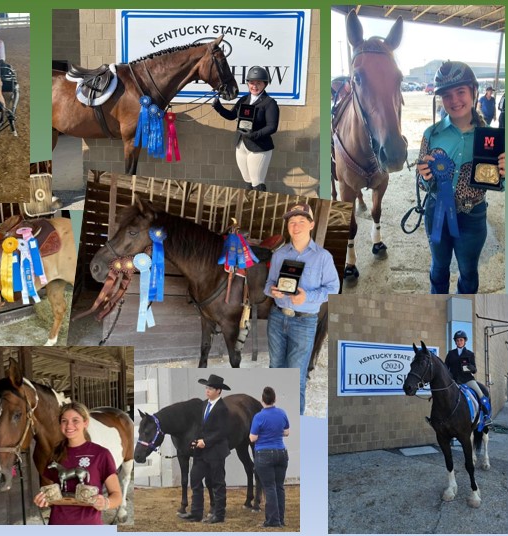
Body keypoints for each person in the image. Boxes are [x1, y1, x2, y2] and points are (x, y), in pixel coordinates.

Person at [415, 61, 506, 294]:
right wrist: (424, 177)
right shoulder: (431, 134)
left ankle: (462, 318)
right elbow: (424, 182)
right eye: (446, 95)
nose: (454, 100)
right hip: (437, 211)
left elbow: (500, 183)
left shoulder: (492, 139)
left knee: (468, 273)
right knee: (438, 269)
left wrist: (506, 173)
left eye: (460, 92)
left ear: (474, 91)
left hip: (473, 216)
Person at [265, 202, 340, 415]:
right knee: (275, 370)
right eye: (291, 222)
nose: (295, 226)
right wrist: (273, 291)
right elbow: (267, 285)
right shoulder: (279, 255)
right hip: (278, 318)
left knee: (296, 377)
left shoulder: (323, 257)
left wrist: (308, 296)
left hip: (304, 321)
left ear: (311, 225)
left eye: (300, 221)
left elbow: (334, 288)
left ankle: (295, 426)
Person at [33, 402, 121, 525]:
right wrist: (45, 500)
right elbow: (54, 492)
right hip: (58, 523)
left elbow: (117, 495)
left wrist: (106, 503)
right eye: (64, 421)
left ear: (85, 423)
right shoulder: (55, 454)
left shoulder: (101, 454)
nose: (69, 425)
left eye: (75, 420)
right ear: (60, 424)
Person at [212, 66, 279, 191]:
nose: (254, 86)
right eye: (252, 83)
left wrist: (255, 135)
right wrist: (219, 108)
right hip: (241, 145)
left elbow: (272, 127)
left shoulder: (270, 103)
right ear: (248, 84)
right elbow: (232, 116)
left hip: (258, 147)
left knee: (257, 183)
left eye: (258, 83)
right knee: (247, 182)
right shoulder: (244, 99)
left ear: (265, 84)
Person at [184, 375, 232, 523]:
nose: (207, 390)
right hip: (201, 451)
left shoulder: (222, 408)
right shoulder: (205, 405)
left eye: (210, 388)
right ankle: (196, 512)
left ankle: (219, 514)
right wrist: (195, 440)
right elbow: (200, 427)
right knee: (195, 479)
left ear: (218, 391)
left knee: (218, 482)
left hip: (216, 451)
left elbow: (222, 431)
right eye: (206, 388)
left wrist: (205, 441)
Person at [249, 386, 290, 528]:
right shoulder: (282, 413)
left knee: (269, 487)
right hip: (281, 453)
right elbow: (286, 432)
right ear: (275, 399)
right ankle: (281, 519)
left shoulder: (259, 416)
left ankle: (273, 521)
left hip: (264, 454)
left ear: (262, 400)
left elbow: (253, 438)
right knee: (279, 487)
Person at [443, 330, 491, 427]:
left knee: (481, 394)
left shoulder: (470, 354)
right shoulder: (450, 354)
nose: (459, 342)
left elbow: (474, 370)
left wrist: (470, 367)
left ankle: (486, 417)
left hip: (467, 380)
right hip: (454, 381)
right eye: (457, 340)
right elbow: (445, 368)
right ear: (455, 342)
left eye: (461, 340)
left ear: (465, 341)